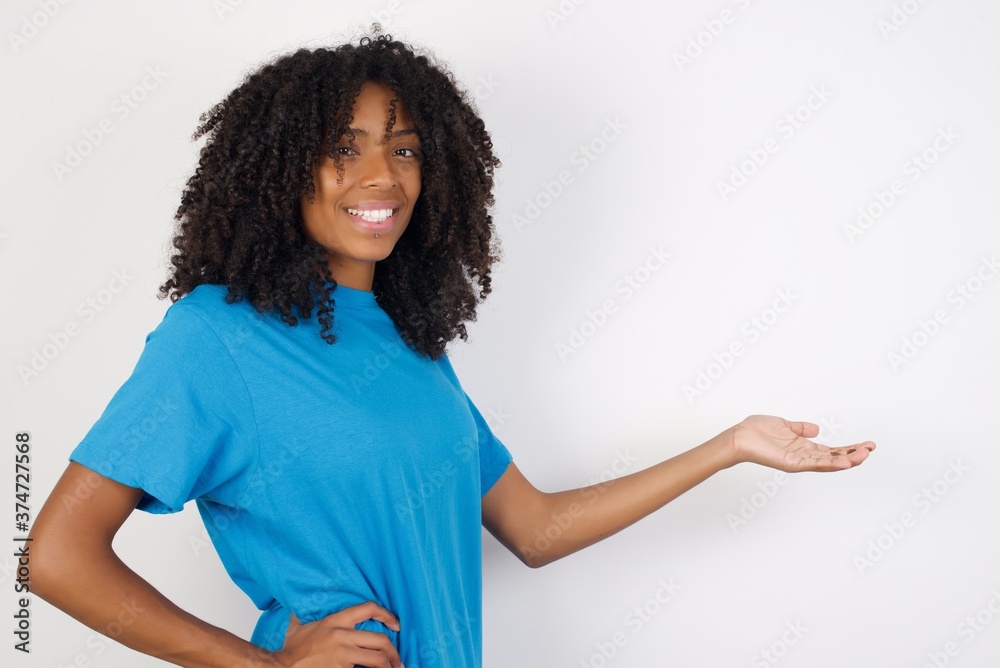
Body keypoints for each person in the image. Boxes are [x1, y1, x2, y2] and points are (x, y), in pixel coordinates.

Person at [28, 26, 876, 668]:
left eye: (404, 150)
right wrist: (266, 667)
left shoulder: (410, 346)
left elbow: (534, 529)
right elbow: (57, 558)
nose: (383, 177)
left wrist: (729, 446)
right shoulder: (217, 335)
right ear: (280, 170)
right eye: (343, 150)